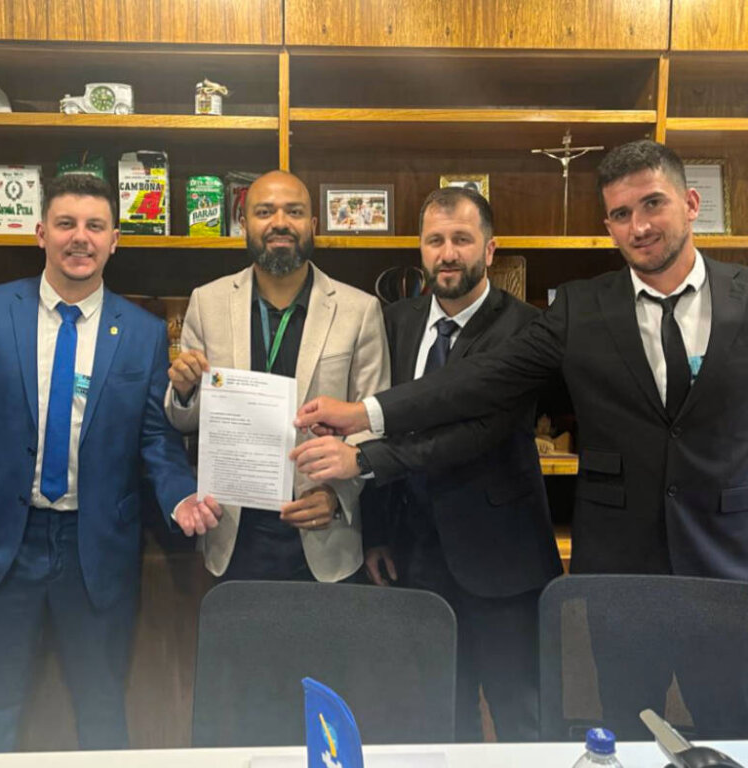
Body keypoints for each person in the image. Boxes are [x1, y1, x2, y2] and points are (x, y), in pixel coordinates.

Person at [294, 139, 748, 737]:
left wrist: (362, 441)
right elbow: (480, 381)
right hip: (618, 567)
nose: (638, 226)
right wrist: (367, 412)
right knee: (624, 729)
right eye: (620, 213)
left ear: (691, 204)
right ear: (607, 225)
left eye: (653, 204)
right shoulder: (580, 307)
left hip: (726, 560)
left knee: (732, 730)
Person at [0, 173, 219, 752]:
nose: (80, 237)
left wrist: (180, 494)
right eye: (66, 224)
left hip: (97, 546)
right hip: (1, 544)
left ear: (115, 241)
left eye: (95, 226)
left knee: (103, 710)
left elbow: (155, 438)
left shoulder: (142, 332)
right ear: (41, 233)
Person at [292, 186, 561, 741]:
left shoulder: (527, 329)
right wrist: (378, 534)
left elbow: (471, 435)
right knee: (438, 720)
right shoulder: (394, 321)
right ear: (420, 249)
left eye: (462, 239)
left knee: (523, 721)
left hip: (503, 565)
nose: (448, 253)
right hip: (416, 560)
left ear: (490, 250)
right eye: (435, 240)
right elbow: (384, 420)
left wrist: (359, 460)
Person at [164, 170, 389, 582]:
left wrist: (337, 496)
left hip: (324, 534)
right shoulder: (206, 302)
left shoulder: (360, 310)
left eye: (294, 212)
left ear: (313, 225)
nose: (280, 222)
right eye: (265, 212)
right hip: (233, 533)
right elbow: (187, 421)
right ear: (244, 224)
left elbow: (373, 423)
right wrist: (183, 392)